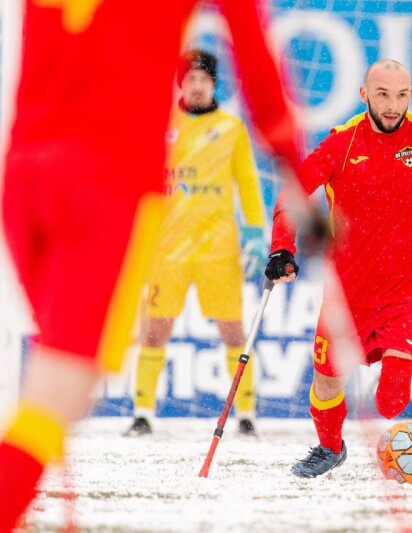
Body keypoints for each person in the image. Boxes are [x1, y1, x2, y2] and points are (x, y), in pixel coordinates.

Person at [0, 1, 303, 529]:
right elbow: (253, 52)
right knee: (55, 402)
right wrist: (294, 168)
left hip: (25, 176)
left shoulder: (220, 127)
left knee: (52, 391)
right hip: (108, 188)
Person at [265, 59, 412, 478]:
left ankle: (390, 447)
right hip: (346, 294)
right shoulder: (342, 142)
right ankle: (329, 447)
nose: (393, 105)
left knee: (391, 400)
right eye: (383, 95)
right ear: (364, 95)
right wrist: (282, 249)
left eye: (402, 95)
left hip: (405, 291)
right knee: (325, 383)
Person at [125, 50, 266, 438]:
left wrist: (255, 233)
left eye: (205, 79)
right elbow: (140, 178)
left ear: (213, 84)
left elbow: (249, 184)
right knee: (155, 329)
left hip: (218, 248)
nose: (198, 85)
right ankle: (143, 412)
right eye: (191, 79)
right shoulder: (162, 124)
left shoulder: (231, 128)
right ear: (181, 85)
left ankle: (246, 413)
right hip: (166, 247)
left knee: (233, 330)